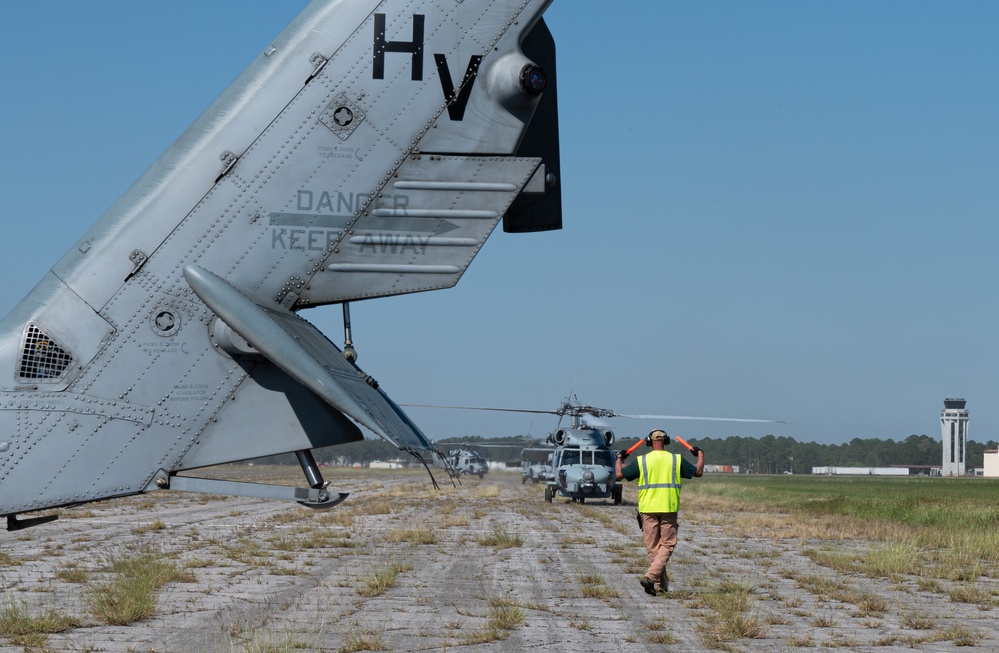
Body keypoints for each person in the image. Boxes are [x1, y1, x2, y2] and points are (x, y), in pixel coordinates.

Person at [615, 429, 703, 596]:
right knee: (667, 545)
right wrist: (700, 455)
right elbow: (697, 472)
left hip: (648, 508)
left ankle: (658, 583)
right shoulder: (675, 459)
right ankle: (653, 579)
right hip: (669, 507)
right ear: (666, 441)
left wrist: (619, 458)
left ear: (649, 442)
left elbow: (619, 474)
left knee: (653, 548)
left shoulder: (642, 461)